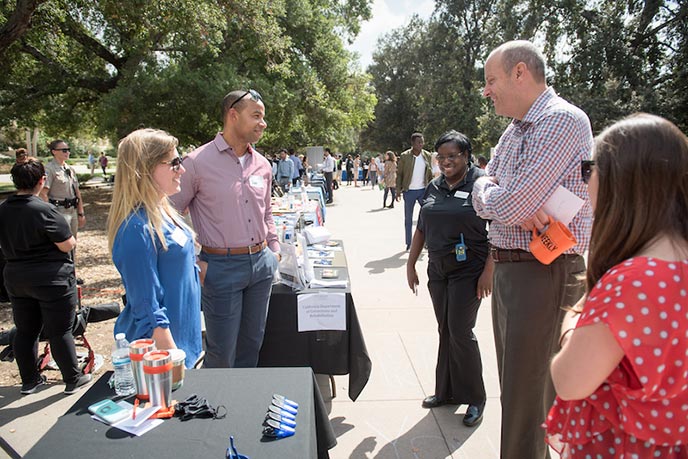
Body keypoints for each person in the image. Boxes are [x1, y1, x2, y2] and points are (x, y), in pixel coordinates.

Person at [471, 40, 592, 459]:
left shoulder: (561, 121)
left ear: (520, 72)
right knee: (520, 394)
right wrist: (496, 195)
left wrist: (498, 196)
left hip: (544, 271)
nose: (486, 91)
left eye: (491, 80)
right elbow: (482, 187)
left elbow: (511, 202)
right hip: (514, 269)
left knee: (528, 399)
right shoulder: (517, 129)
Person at [544, 114, 688, 458]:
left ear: (620, 181)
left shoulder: (631, 281)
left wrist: (574, 320)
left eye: (590, 167)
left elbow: (569, 380)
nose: (587, 178)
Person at [170, 89, 279, 368]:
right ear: (233, 115)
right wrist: (195, 261)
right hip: (220, 267)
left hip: (261, 265)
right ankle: (216, 409)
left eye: (263, 117)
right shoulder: (196, 163)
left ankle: (241, 408)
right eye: (256, 116)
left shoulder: (263, 165)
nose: (262, 123)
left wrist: (274, 251)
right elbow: (168, 215)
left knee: (252, 344)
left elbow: (266, 212)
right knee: (221, 353)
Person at [406, 130, 493, 427]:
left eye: (452, 156)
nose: (446, 162)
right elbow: (421, 227)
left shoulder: (482, 183)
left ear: (467, 156)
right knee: (445, 329)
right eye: (441, 157)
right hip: (439, 269)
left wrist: (488, 272)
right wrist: (411, 263)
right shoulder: (434, 185)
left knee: (460, 330)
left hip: (470, 270)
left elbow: (499, 230)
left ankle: (476, 397)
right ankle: (447, 391)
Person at [106, 129, 202, 368]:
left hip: (186, 343)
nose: (182, 170)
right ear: (145, 168)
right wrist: (174, 361)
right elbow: (148, 307)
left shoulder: (164, 213)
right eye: (175, 163)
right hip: (163, 355)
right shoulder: (136, 229)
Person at [0, 158, 92, 395]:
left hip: (16, 277)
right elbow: (66, 244)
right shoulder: (44, 210)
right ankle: (72, 379)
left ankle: (29, 381)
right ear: (42, 181)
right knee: (60, 330)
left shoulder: (3, 209)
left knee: (25, 329)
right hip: (50, 279)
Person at [40, 140, 86, 242]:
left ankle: (72, 258)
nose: (67, 153)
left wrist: (81, 213)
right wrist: (51, 214)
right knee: (63, 242)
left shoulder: (70, 169)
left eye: (68, 150)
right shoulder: (49, 169)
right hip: (59, 210)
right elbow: (43, 193)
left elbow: (77, 192)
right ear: (54, 151)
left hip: (72, 209)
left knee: (73, 241)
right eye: (64, 150)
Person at [396, 133, 433, 250]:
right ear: (413, 143)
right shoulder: (404, 156)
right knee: (408, 218)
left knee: (428, 216)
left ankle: (427, 241)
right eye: (419, 142)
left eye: (422, 142)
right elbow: (400, 174)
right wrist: (398, 190)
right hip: (409, 191)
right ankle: (409, 243)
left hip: (423, 191)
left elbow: (430, 174)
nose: (421, 144)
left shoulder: (427, 155)